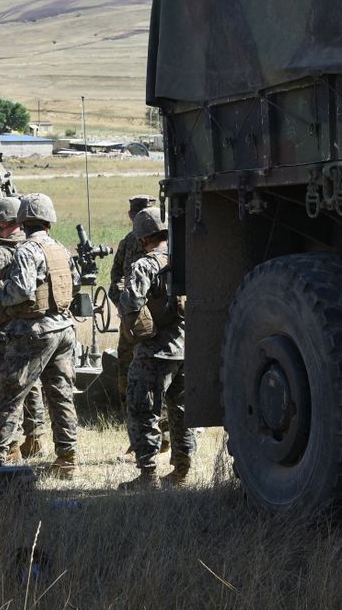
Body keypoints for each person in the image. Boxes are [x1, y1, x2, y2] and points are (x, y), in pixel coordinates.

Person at [0, 193, 80, 478]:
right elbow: (74, 282)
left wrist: (0, 294)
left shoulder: (27, 250)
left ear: (23, 221)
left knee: (10, 394)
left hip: (34, 331)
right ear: (49, 220)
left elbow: (21, 291)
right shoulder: (60, 248)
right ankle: (67, 458)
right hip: (63, 328)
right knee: (61, 394)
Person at [118, 206, 197, 490]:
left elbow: (129, 303)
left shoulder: (144, 265)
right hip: (188, 349)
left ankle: (148, 475)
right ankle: (182, 471)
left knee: (143, 411)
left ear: (141, 239)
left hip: (155, 352)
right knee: (182, 412)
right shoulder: (187, 260)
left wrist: (140, 330)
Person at [0, 197, 48, 460]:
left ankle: (11, 444)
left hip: (3, 328)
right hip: (32, 327)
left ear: (0, 223)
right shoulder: (37, 247)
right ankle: (36, 436)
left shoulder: (3, 252)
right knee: (32, 383)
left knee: (3, 387)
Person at [108, 195, 162, 456]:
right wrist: (122, 302)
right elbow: (116, 276)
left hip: (162, 320)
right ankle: (135, 434)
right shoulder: (127, 243)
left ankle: (163, 435)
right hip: (132, 321)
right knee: (126, 376)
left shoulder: (166, 246)